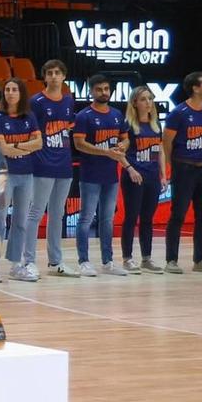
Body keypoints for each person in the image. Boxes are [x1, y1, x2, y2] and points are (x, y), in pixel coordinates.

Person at [70, 73, 131, 277]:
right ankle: (84, 261)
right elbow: (79, 144)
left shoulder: (116, 114)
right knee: (86, 218)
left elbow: (126, 139)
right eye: (99, 89)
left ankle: (108, 261)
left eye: (106, 89)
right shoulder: (84, 116)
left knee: (107, 220)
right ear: (91, 91)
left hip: (110, 175)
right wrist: (106, 151)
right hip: (90, 175)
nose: (103, 92)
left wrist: (123, 144)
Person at [163, 70, 202, 275]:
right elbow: (166, 142)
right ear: (195, 88)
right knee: (178, 214)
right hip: (183, 167)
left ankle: (200, 259)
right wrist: (172, 165)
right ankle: (171, 260)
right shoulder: (179, 113)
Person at [0, 77, 42, 282]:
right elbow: (3, 149)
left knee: (20, 222)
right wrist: (24, 144)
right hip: (3, 175)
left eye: (15, 90)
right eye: (8, 89)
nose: (10, 93)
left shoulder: (30, 117)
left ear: (21, 94)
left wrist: (16, 147)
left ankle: (16, 265)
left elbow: (39, 144)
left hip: (26, 174)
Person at [26, 59, 77, 278]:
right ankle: (27, 261)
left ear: (64, 76)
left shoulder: (68, 101)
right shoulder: (36, 101)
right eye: (50, 73)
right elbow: (30, 132)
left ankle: (56, 261)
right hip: (42, 164)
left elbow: (67, 131)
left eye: (58, 72)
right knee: (35, 213)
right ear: (45, 77)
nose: (54, 76)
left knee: (58, 214)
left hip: (64, 164)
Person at [121, 87, 164, 273]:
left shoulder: (156, 125)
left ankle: (146, 258)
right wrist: (130, 169)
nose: (148, 102)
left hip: (152, 177)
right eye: (143, 99)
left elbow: (160, 150)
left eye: (150, 99)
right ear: (134, 103)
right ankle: (127, 259)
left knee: (147, 219)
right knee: (131, 218)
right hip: (134, 177)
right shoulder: (128, 125)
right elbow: (119, 152)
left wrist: (163, 175)